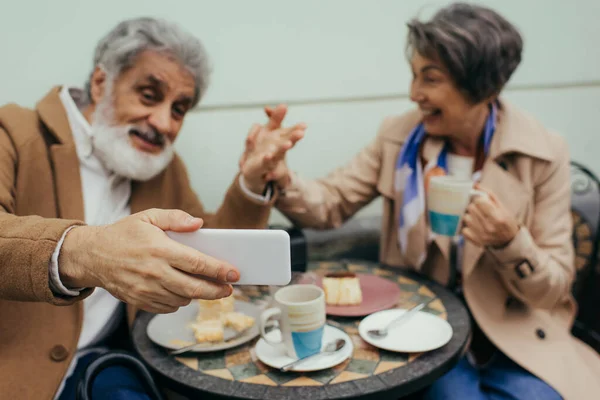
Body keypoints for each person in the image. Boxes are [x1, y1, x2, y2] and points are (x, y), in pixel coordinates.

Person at [240, 3, 600, 399]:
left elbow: (554, 287)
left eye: (430, 79)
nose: (415, 94)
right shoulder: (399, 137)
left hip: (514, 333)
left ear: (483, 85)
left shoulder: (544, 152)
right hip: (422, 326)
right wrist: (282, 176)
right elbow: (331, 203)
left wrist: (509, 241)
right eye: (414, 77)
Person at [0, 17, 305, 399]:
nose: (163, 122)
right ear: (100, 83)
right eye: (148, 95)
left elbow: (211, 253)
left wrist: (253, 182)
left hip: (111, 366)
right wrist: (87, 252)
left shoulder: (162, 168)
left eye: (178, 109)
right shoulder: (13, 131)